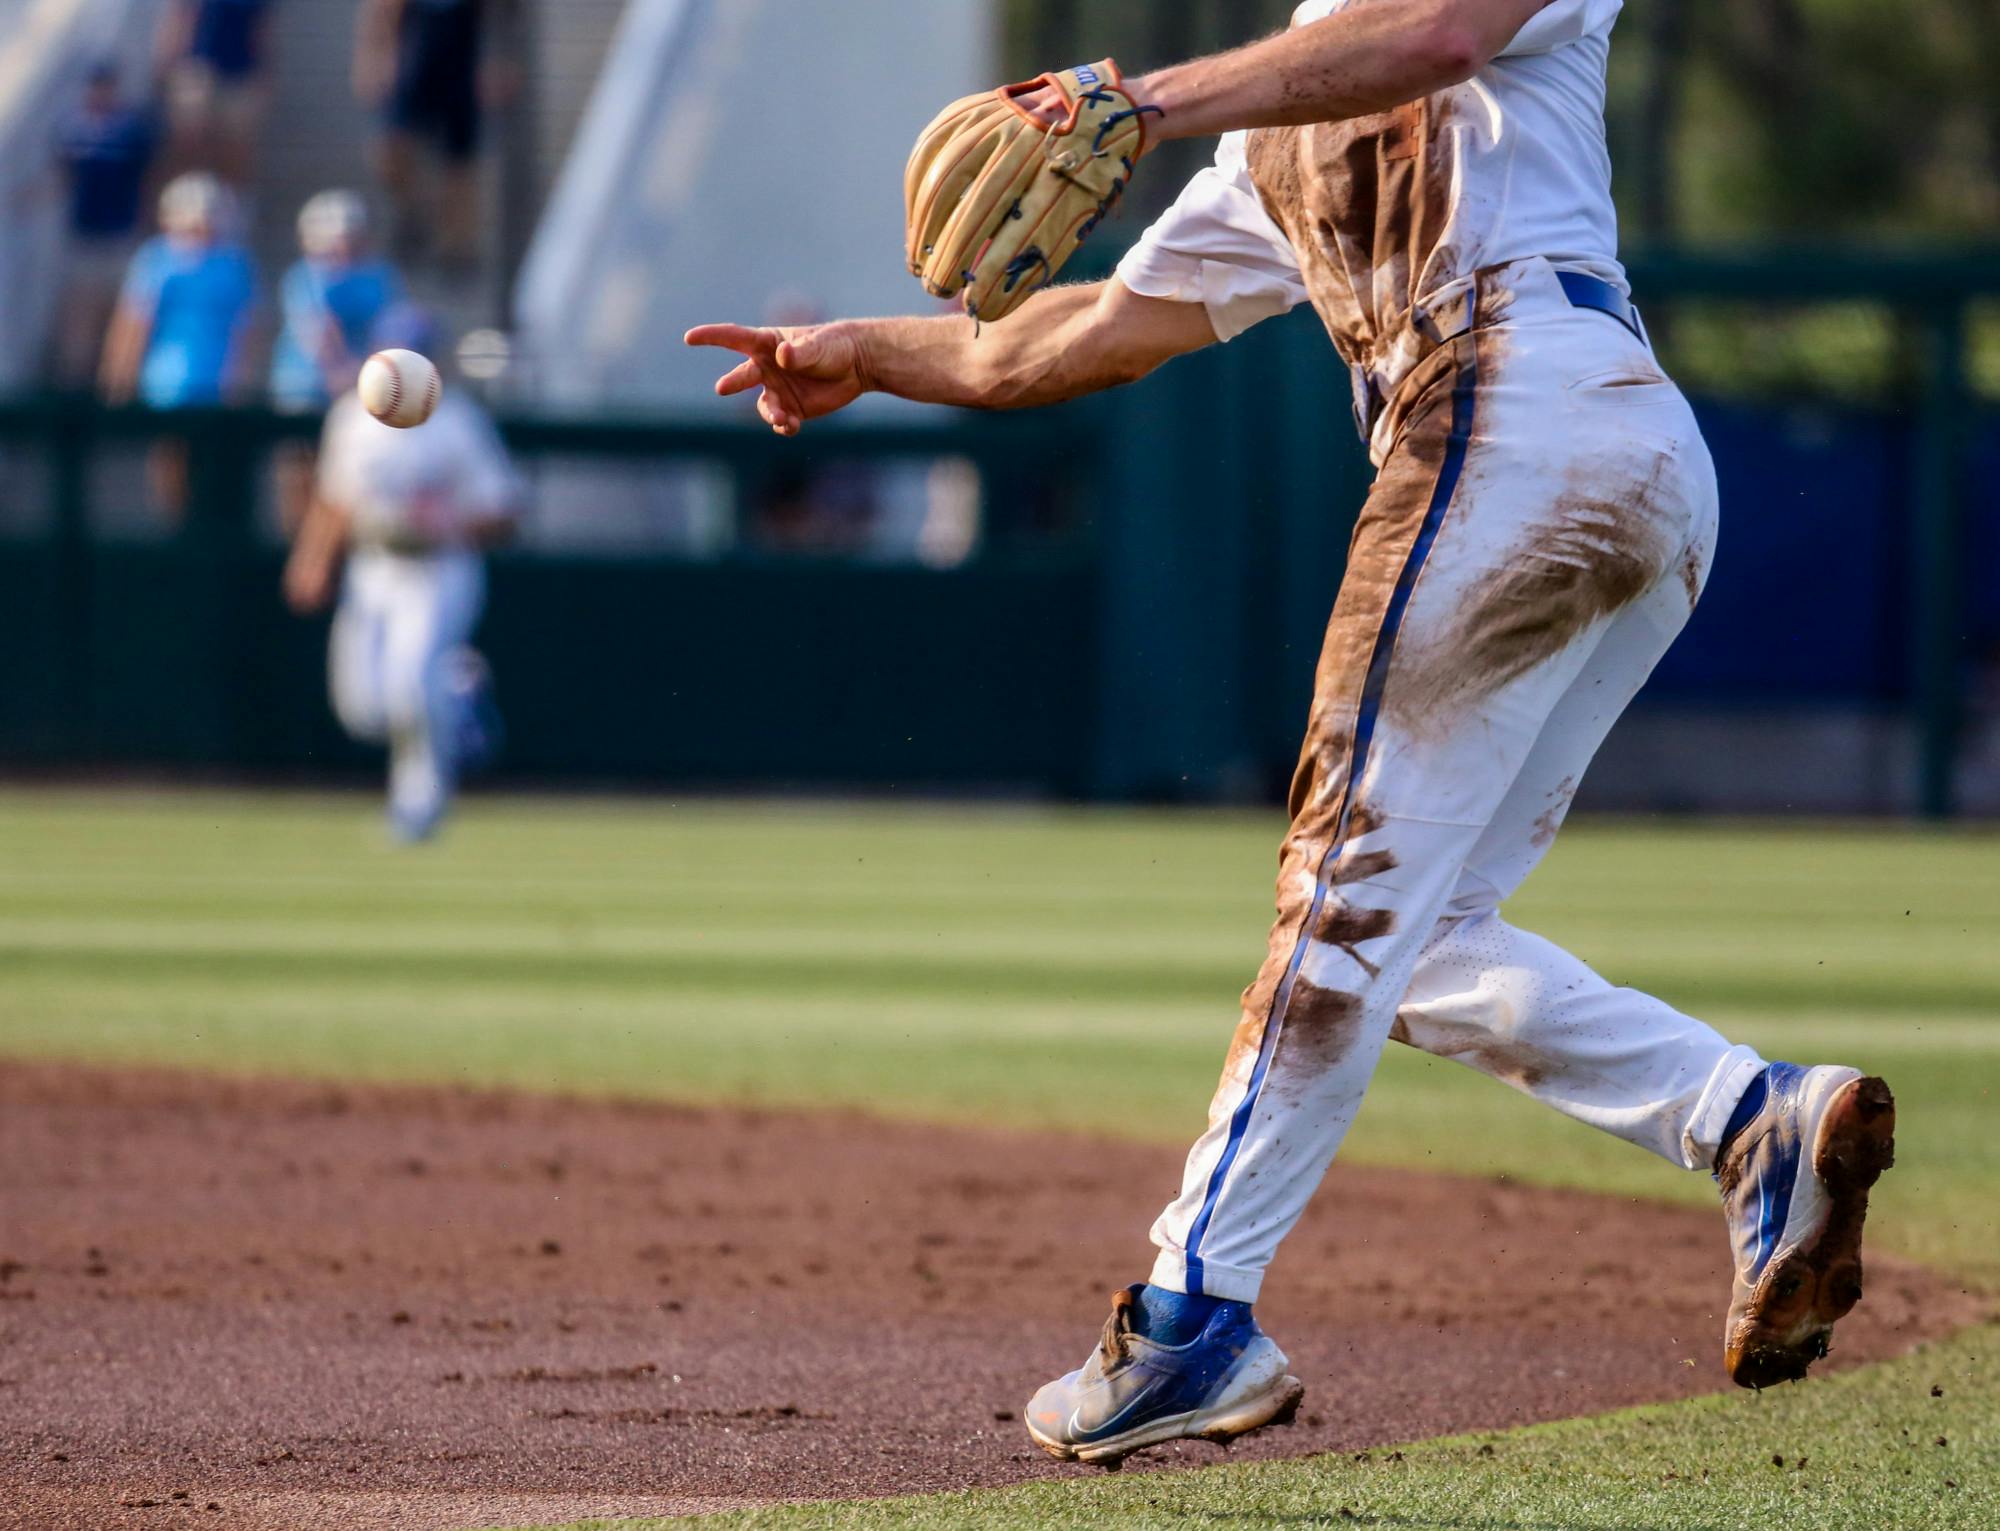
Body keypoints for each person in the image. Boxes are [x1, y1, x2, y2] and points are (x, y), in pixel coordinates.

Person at [689, 0, 1898, 1469]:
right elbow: (1064, 340)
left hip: (1513, 408)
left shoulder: (1301, 73)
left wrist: (1129, 97)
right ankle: (1749, 1119)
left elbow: (1443, 35)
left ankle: (1191, 1311)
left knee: (1340, 897)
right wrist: (861, 353)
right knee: (1417, 936)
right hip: (1602, 452)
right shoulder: (1275, 121)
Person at [284, 306, 520, 842]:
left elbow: (505, 511)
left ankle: (419, 805)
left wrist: (454, 520)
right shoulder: (350, 418)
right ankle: (458, 691)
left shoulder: (458, 421)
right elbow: (334, 500)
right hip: (373, 566)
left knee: (410, 683)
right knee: (362, 707)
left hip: (440, 567)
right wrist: (313, 560)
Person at [99, 172, 258, 520]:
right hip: (168, 380)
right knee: (171, 455)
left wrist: (241, 376)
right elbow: (133, 324)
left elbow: (246, 330)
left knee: (213, 459)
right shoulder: (156, 260)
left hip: (217, 379)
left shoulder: (234, 263)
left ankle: (205, 523)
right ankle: (175, 522)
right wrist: (118, 375)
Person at [270, 191, 404, 531]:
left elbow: (391, 332)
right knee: (300, 473)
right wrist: (352, 377)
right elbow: (321, 336)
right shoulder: (305, 277)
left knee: (347, 484)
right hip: (304, 392)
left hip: (357, 399)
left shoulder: (380, 277)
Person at [353, 0, 519, 269]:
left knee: (460, 162)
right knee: (390, 149)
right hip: (412, 66)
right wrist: (371, 59)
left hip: (462, 71)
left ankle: (457, 244)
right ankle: (413, 209)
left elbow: (503, 20)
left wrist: (502, 63)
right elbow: (379, 13)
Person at [51, 62, 160, 389]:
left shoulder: (132, 129)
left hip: (122, 233)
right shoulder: (73, 128)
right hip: (85, 234)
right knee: (80, 313)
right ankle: (75, 381)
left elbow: (148, 178)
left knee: (122, 310)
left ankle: (113, 381)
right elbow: (64, 178)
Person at [156, 0, 275, 185]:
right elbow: (181, 16)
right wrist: (167, 60)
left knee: (234, 146)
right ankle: (181, 197)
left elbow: (261, 28)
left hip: (240, 72)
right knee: (188, 140)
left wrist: (265, 74)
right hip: (197, 66)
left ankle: (232, 204)